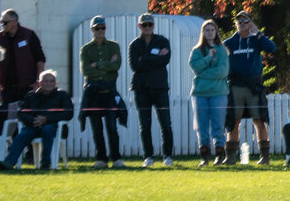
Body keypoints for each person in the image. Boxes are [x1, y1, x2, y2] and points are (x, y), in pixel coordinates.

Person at [224, 14, 276, 166]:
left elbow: (271, 48)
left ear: (251, 23)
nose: (242, 23)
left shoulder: (256, 40)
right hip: (236, 86)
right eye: (239, 21)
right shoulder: (229, 42)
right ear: (236, 24)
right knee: (234, 121)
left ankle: (264, 157)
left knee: (259, 120)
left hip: (254, 85)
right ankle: (231, 157)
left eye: (246, 21)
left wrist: (258, 33)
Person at [126, 13, 176, 167]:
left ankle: (167, 155)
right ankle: (148, 156)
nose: (147, 27)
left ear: (153, 26)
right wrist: (153, 58)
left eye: (150, 25)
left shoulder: (162, 41)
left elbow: (164, 60)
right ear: (139, 26)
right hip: (141, 89)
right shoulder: (134, 45)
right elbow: (135, 66)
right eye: (144, 25)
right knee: (145, 125)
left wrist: (144, 58)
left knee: (165, 123)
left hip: (160, 87)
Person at [1, 71, 76, 172]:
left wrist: (47, 119)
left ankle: (45, 162)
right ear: (40, 83)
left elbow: (68, 114)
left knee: (47, 129)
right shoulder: (31, 96)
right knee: (22, 135)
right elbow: (21, 113)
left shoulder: (62, 95)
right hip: (33, 126)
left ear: (55, 83)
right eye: (46, 81)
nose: (49, 84)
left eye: (51, 81)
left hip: (54, 127)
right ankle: (9, 162)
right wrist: (34, 120)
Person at [77, 17, 127, 168]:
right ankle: (101, 159)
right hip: (93, 94)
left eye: (102, 28)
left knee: (112, 126)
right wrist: (107, 66)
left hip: (109, 92)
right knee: (96, 128)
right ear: (92, 30)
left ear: (105, 29)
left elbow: (116, 66)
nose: (100, 31)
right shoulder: (86, 49)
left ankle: (116, 158)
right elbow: (86, 70)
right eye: (97, 28)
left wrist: (98, 64)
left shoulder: (113, 46)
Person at [187, 20, 231, 166]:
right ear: (203, 33)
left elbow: (223, 72)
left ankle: (219, 155)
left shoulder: (222, 50)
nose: (210, 32)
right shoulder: (197, 51)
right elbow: (195, 66)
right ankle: (204, 157)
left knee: (218, 125)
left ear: (216, 32)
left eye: (212, 30)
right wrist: (207, 58)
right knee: (201, 126)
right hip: (200, 93)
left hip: (218, 92)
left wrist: (203, 74)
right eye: (207, 30)